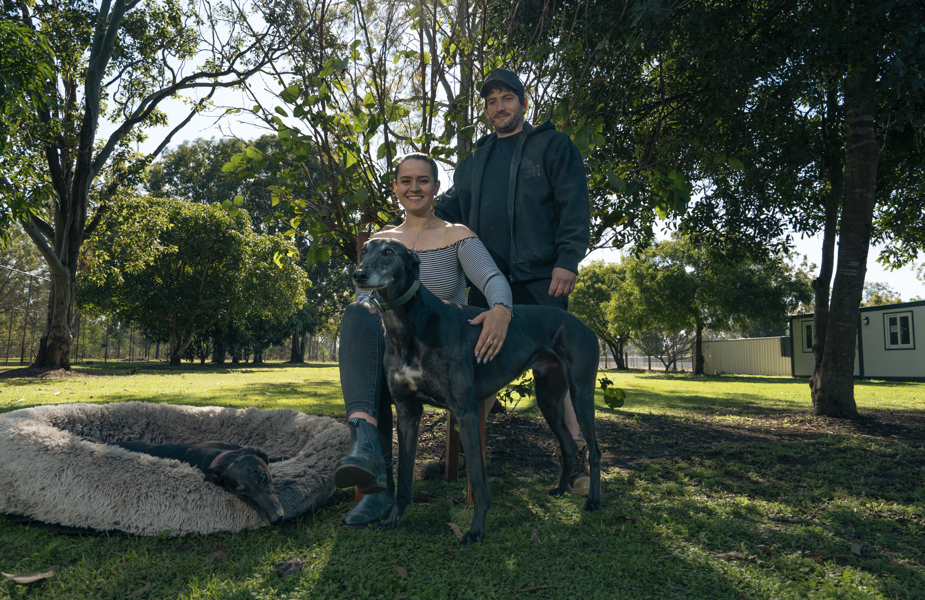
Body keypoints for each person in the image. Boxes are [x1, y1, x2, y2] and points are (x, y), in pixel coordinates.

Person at [432, 67, 592, 496]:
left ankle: (577, 460)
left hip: (543, 279)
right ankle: (464, 456)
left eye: (506, 98)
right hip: (488, 282)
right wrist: (405, 223)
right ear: (485, 111)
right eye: (491, 101)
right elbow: (446, 211)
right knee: (475, 366)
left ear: (523, 102)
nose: (499, 107)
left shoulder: (553, 146)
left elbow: (574, 203)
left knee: (558, 373)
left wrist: (568, 260)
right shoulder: (473, 163)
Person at [334, 152, 514, 528]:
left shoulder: (456, 235)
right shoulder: (381, 241)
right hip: (395, 347)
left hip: (440, 349)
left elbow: (492, 278)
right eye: (406, 180)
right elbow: (365, 296)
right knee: (357, 316)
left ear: (436, 186)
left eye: (423, 180)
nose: (414, 187)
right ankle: (369, 457)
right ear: (396, 188)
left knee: (381, 350)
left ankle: (378, 476)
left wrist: (500, 309)